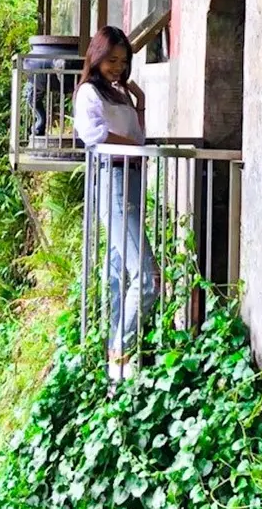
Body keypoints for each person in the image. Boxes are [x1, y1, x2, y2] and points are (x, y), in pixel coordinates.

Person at [73, 26, 157, 380]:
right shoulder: (89, 92)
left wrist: (140, 103)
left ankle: (116, 369)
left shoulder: (119, 93)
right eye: (112, 60)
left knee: (118, 275)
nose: (118, 67)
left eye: (123, 61)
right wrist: (134, 148)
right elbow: (93, 134)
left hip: (132, 177)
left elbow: (138, 136)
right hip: (115, 178)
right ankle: (120, 350)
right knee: (148, 276)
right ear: (97, 57)